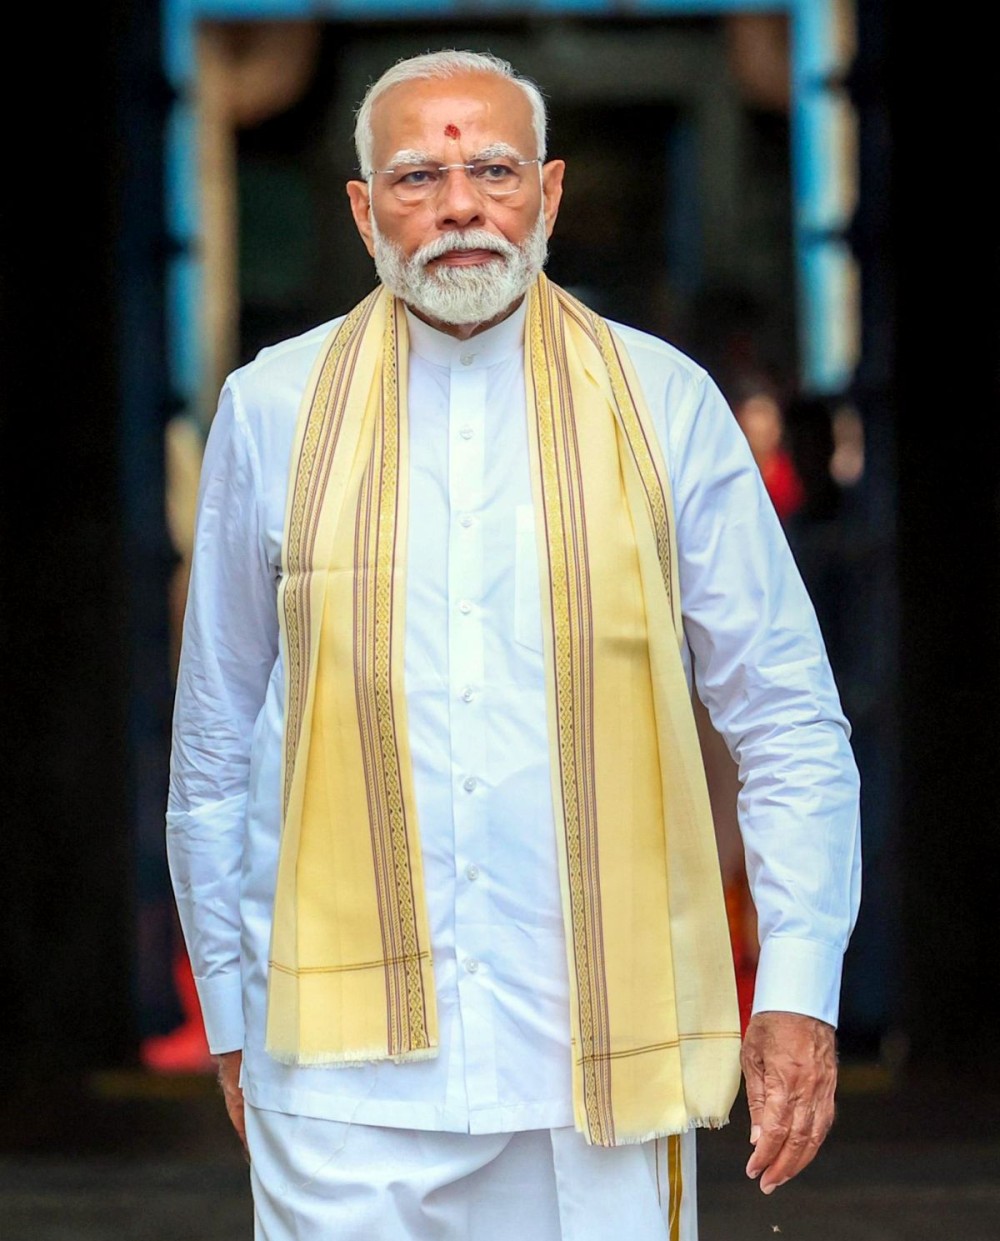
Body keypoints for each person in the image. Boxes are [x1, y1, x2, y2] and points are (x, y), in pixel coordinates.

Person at [166, 49, 861, 1241]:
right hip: (340, 1075)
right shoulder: (271, 407)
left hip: (597, 1051)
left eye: (490, 169)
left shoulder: (664, 401)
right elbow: (216, 733)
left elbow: (784, 712)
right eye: (414, 177)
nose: (456, 207)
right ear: (359, 208)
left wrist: (799, 986)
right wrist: (227, 1005)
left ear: (547, 192)